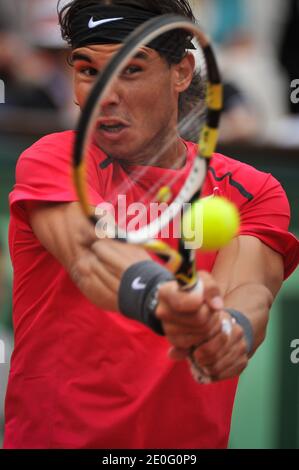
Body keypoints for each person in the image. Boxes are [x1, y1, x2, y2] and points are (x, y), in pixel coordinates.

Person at [4, 0, 299, 449]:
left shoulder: (253, 191)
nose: (104, 93)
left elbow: (250, 289)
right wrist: (163, 297)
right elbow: (90, 253)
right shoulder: (53, 159)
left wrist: (227, 333)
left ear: (181, 72)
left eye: (131, 70)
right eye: (87, 71)